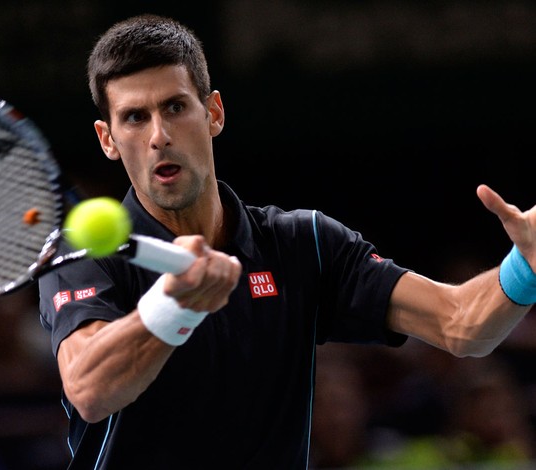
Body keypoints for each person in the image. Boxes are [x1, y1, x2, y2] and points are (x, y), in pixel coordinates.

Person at [37, 13, 536, 469]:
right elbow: (89, 388)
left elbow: (462, 325)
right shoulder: (84, 253)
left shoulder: (303, 244)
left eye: (175, 107)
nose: (158, 135)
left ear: (213, 113)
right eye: (134, 117)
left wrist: (527, 265)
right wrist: (175, 304)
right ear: (107, 138)